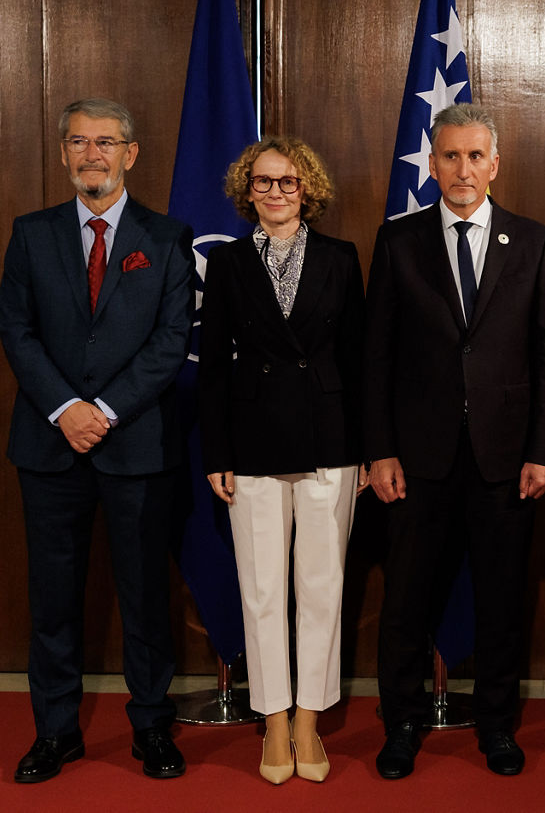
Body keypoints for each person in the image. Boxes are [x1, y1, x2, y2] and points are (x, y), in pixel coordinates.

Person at [363, 103, 545, 779]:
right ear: (431, 164)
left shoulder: (532, 241)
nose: (463, 169)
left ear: (495, 164)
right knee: (405, 603)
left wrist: (543, 451)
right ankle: (401, 725)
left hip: (505, 460)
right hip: (417, 460)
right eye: (450, 156)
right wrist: (381, 450)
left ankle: (498, 726)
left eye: (475, 156)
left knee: (502, 602)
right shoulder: (398, 241)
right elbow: (376, 357)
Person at [0, 97, 194, 782]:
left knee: (144, 596)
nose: (92, 154)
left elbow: (172, 340)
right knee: (53, 600)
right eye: (79, 142)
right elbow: (15, 330)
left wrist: (103, 410)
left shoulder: (166, 237)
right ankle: (55, 732)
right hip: (49, 446)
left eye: (105, 142)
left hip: (136, 444)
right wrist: (66, 409)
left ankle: (152, 727)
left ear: (129, 154)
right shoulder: (31, 233)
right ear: (63, 154)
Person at [198, 137, 365, 785]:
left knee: (321, 589)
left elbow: (358, 360)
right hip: (252, 443)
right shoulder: (228, 262)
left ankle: (308, 720)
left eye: (288, 182)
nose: (275, 192)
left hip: (330, 441)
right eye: (263, 182)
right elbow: (213, 367)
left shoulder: (341, 258)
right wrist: (216, 451)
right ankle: (272, 720)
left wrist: (366, 449)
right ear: (248, 191)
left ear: (307, 190)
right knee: (264, 589)